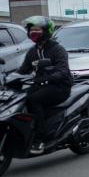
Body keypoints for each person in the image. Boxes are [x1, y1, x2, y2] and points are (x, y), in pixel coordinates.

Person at [18, 16, 73, 153]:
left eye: (36, 30)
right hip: (41, 85)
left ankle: (41, 137)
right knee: (20, 98)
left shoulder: (57, 50)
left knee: (33, 100)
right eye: (31, 30)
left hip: (60, 86)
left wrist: (50, 77)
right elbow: (23, 70)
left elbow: (63, 71)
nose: (33, 32)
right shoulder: (33, 51)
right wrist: (8, 77)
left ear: (46, 31)